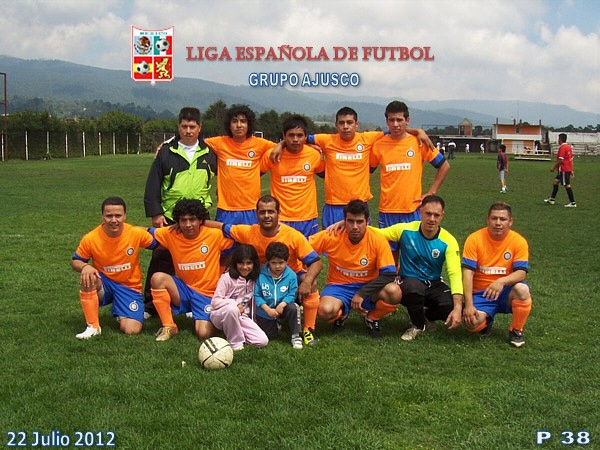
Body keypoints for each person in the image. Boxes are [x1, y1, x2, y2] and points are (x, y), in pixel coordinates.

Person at [208, 195, 323, 346]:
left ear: (278, 214)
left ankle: (308, 329)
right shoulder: (249, 232)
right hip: (263, 281)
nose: (266, 216)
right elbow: (222, 226)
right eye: (262, 212)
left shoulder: (293, 236)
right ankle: (258, 317)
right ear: (256, 214)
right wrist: (197, 223)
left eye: (271, 212)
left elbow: (316, 262)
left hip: (289, 279)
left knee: (311, 283)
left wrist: (306, 282)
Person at [304, 106, 433, 228]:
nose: (346, 126)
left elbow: (395, 130)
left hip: (360, 205)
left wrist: (418, 131)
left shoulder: (367, 138)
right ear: (336, 125)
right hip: (334, 205)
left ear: (357, 124)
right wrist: (307, 146)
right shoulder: (326, 140)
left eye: (349, 122)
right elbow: (300, 137)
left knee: (361, 242)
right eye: (341, 123)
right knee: (331, 243)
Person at [143, 107, 217, 313]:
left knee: (198, 260)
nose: (188, 130)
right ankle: (150, 305)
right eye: (184, 126)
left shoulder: (211, 152)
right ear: (178, 127)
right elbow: (153, 183)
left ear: (200, 127)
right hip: (170, 216)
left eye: (192, 126)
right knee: (161, 259)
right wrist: (156, 213)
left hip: (200, 217)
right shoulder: (167, 152)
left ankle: (197, 301)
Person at [373, 195, 463, 341]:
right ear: (420, 212)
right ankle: (417, 325)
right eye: (428, 214)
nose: (432, 219)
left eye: (436, 215)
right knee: (414, 287)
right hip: (407, 282)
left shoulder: (448, 241)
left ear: (442, 216)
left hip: (432, 283)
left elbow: (455, 274)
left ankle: (424, 316)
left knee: (451, 305)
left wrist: (458, 307)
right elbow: (377, 233)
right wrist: (346, 223)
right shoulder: (405, 230)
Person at [370, 101, 450, 260]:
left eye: (399, 120)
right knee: (389, 257)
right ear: (387, 121)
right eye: (391, 120)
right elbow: (367, 169)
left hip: (412, 209)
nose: (395, 124)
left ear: (407, 121)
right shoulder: (379, 145)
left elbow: (444, 165)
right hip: (388, 210)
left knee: (414, 256)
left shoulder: (418, 142)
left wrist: (431, 192)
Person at [309, 200, 400, 338]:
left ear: (368, 221)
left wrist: (362, 293)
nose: (355, 226)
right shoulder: (333, 234)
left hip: (368, 286)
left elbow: (389, 274)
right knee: (324, 311)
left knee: (394, 292)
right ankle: (342, 313)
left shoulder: (378, 239)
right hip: (339, 286)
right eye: (350, 221)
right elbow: (303, 247)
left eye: (359, 221)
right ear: (344, 221)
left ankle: (372, 317)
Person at [71, 196, 156, 339]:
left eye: (118, 215)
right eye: (109, 216)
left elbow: (159, 241)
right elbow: (76, 261)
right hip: (104, 284)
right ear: (102, 216)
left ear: (125, 216)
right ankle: (93, 326)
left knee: (132, 330)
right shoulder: (91, 238)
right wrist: (85, 266)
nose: (114, 220)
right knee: (89, 277)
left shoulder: (134, 233)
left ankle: (121, 309)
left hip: (129, 286)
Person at [149, 198, 234, 341]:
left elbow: (237, 239)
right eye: (183, 220)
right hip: (183, 291)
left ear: (200, 220)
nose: (188, 224)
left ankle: (219, 317)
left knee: (203, 333)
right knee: (158, 278)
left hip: (207, 294)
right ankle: (169, 326)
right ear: (178, 222)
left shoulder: (214, 235)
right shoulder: (171, 233)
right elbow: (142, 232)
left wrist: (222, 270)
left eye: (192, 219)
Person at [461, 202, 532, 348]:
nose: (498, 223)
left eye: (503, 219)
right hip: (481, 293)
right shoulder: (474, 239)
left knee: (522, 290)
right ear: (488, 219)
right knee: (470, 324)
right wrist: (468, 305)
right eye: (494, 218)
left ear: (510, 222)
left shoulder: (518, 241)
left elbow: (521, 273)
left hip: (505, 292)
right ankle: (486, 321)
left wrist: (501, 282)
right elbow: (467, 273)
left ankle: (516, 330)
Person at [204, 104, 276, 225]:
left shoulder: (259, 144)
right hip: (226, 208)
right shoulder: (219, 143)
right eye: (234, 121)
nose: (239, 125)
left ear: (249, 124)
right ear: (229, 125)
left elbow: (282, 147)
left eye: (243, 121)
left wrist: (309, 143)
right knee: (225, 238)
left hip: (251, 208)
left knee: (251, 238)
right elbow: (194, 142)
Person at [260, 114, 325, 238]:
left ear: (305, 137)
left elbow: (326, 174)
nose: (295, 139)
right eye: (291, 135)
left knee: (308, 250)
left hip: (307, 218)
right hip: (281, 218)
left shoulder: (314, 155)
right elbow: (253, 175)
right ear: (284, 136)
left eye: (299, 135)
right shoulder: (272, 155)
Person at [210, 244, 268, 351]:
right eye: (241, 263)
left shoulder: (254, 280)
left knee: (262, 341)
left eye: (249, 263)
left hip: (242, 317)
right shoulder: (227, 277)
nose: (245, 267)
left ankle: (236, 332)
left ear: (254, 264)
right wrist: (234, 304)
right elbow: (215, 302)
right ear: (235, 263)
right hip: (221, 314)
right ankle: (235, 343)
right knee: (232, 310)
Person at [254, 242, 302, 349]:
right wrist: (267, 309)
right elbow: (257, 295)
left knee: (294, 308)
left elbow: (292, 293)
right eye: (273, 263)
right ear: (268, 262)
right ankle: (277, 324)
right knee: (271, 336)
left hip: (283, 307)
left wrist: (283, 304)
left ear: (287, 261)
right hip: (266, 310)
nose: (277, 266)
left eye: (281, 263)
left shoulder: (291, 275)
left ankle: (296, 336)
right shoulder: (261, 275)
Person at [544, 133, 576, 207]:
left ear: (560, 139)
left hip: (564, 169)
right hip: (566, 169)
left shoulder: (562, 147)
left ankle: (573, 203)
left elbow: (561, 160)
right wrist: (571, 170)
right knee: (555, 182)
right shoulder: (568, 147)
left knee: (567, 185)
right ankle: (552, 199)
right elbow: (571, 159)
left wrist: (553, 167)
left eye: (558, 139)